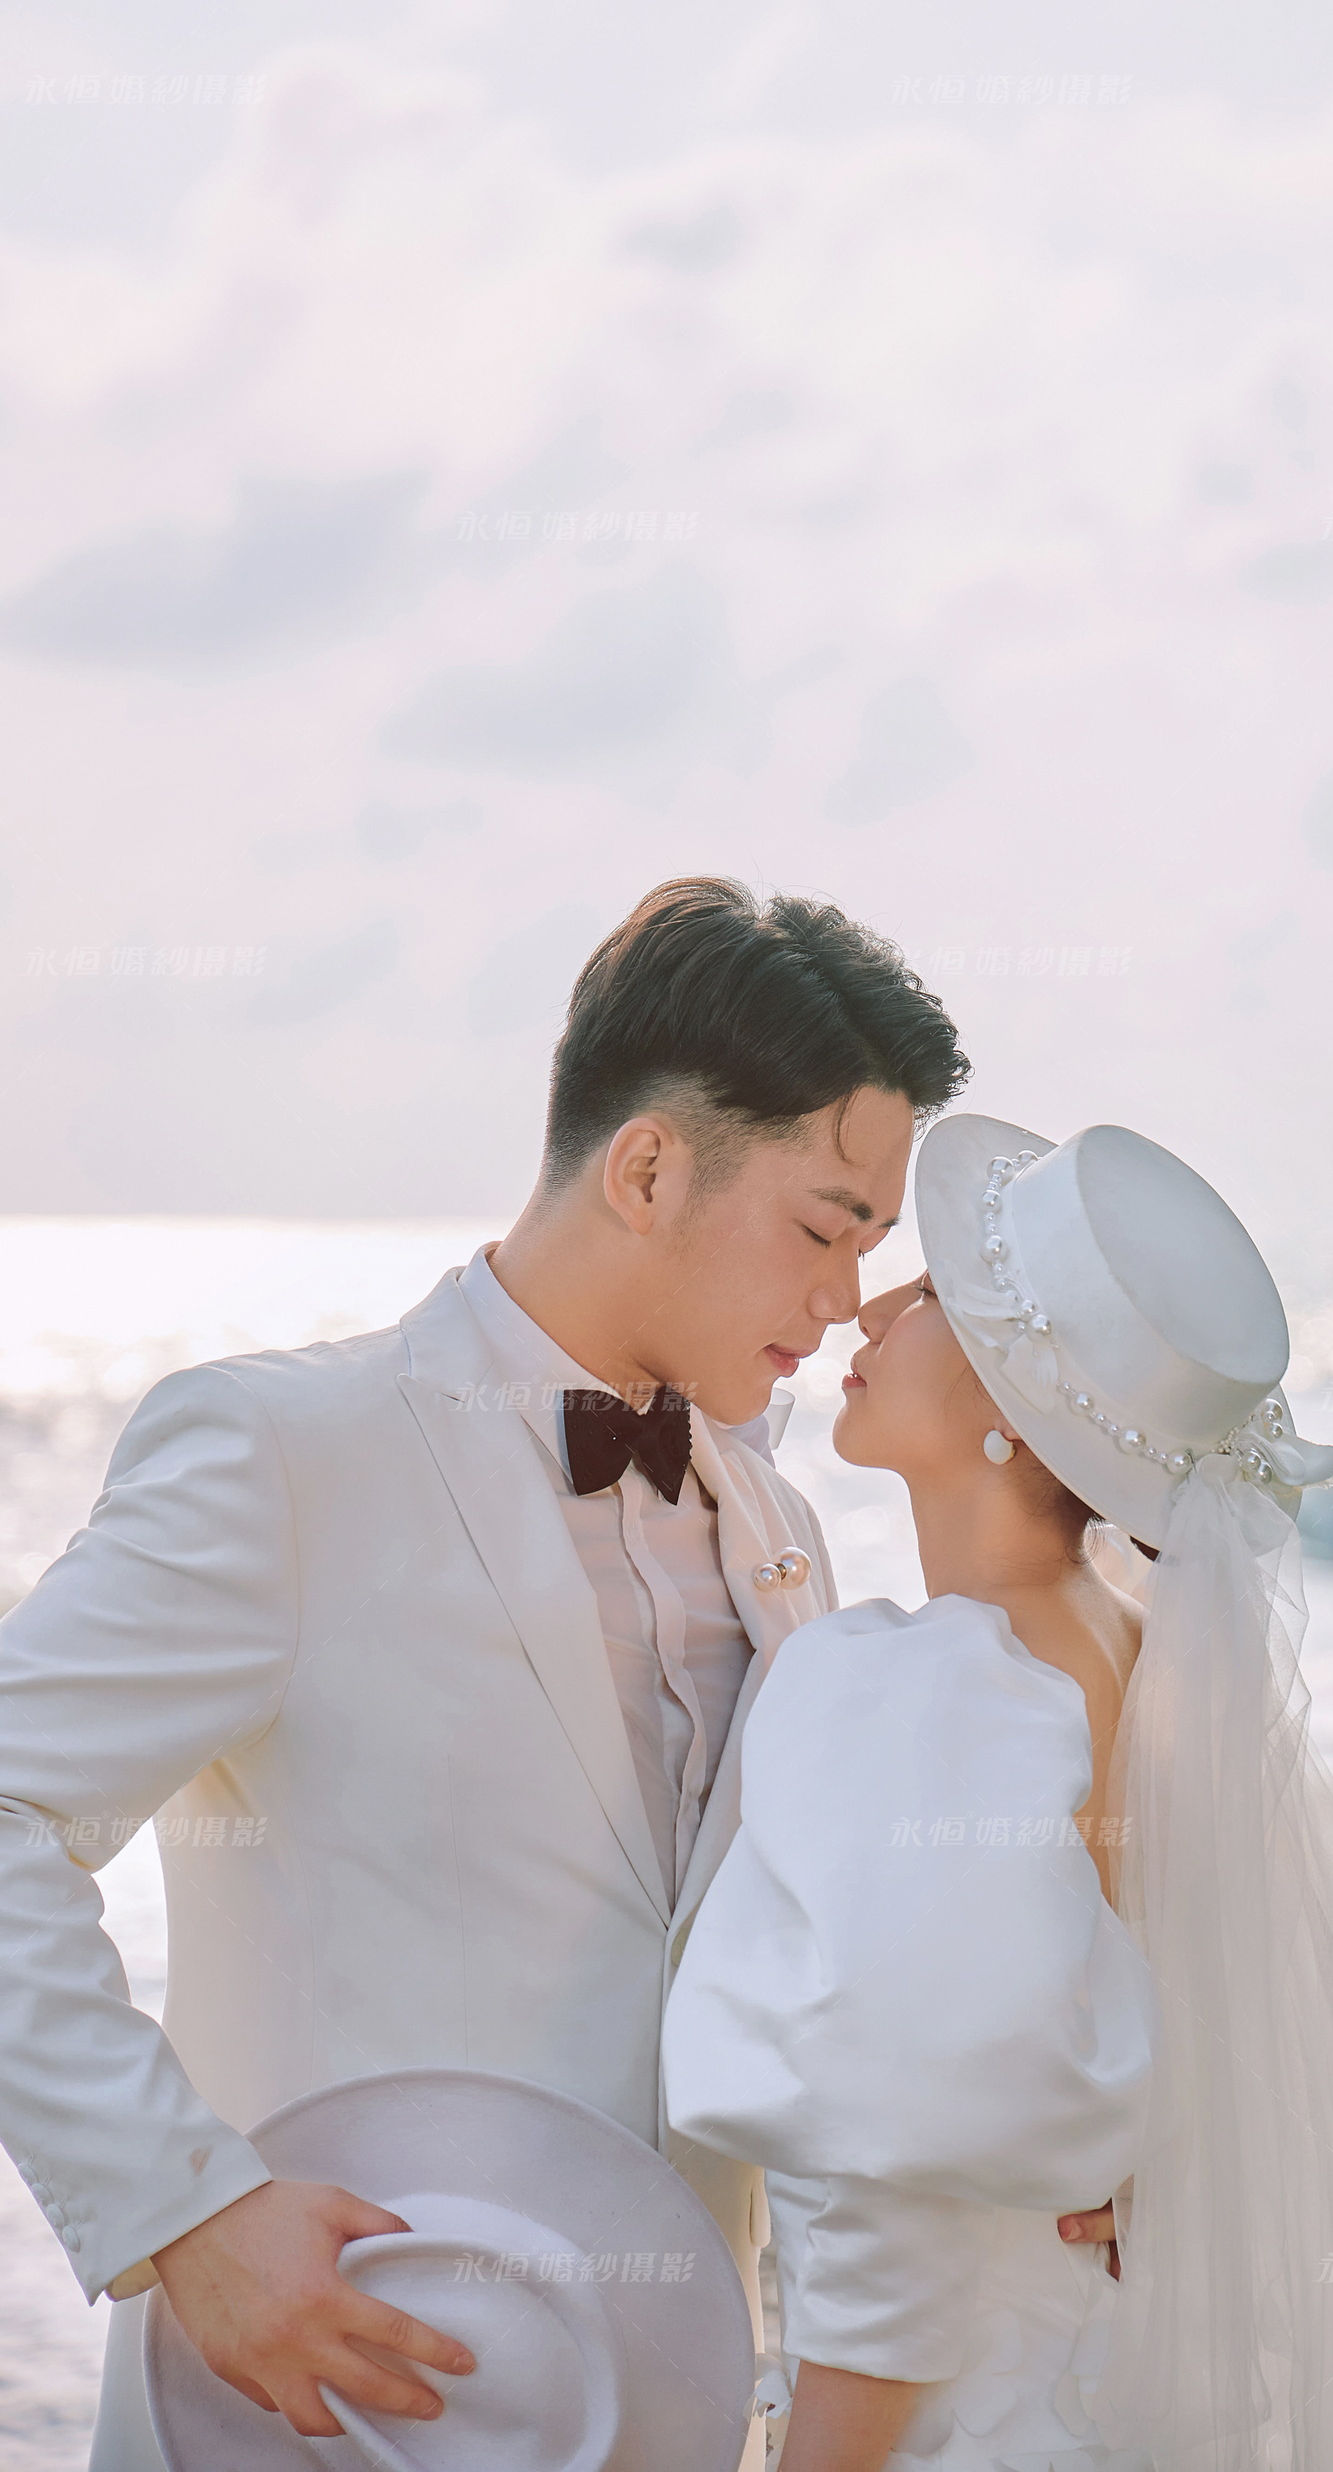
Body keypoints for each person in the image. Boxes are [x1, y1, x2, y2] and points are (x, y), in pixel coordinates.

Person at [0, 876, 967, 2472]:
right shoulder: (283, 1452)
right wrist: (184, 2211)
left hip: (652, 2422)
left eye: (876, 1243)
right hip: (317, 2418)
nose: (844, 1297)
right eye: (822, 1227)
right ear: (646, 1169)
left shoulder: (778, 1527)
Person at [663, 1113, 1333, 2472]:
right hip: (1100, 2383)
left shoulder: (945, 1687)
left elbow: (901, 2180)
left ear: (1018, 1413)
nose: (870, 1308)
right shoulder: (1135, 1648)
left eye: (932, 1295)